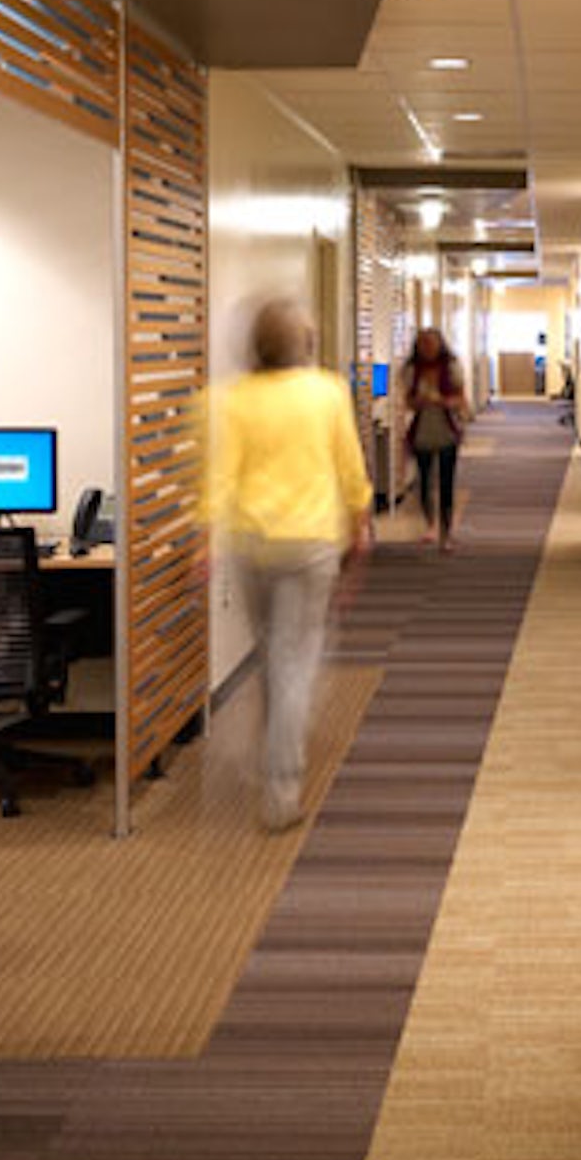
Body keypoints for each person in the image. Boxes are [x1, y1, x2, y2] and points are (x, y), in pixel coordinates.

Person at [210, 298, 373, 831]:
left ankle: (266, 754)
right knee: (296, 662)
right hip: (308, 543)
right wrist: (360, 521)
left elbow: (222, 475)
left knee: (270, 654)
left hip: (251, 541)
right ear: (303, 343)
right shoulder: (326, 392)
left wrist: (201, 541)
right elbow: (348, 462)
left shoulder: (237, 399)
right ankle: (281, 788)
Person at [404, 325, 469, 551]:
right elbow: (408, 402)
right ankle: (430, 525)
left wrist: (440, 400)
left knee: (446, 483)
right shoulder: (412, 369)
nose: (427, 348)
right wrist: (420, 401)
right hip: (422, 431)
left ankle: (447, 532)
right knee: (424, 482)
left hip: (446, 430)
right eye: (423, 344)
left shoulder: (451, 367)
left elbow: (460, 399)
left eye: (431, 343)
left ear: (440, 344)